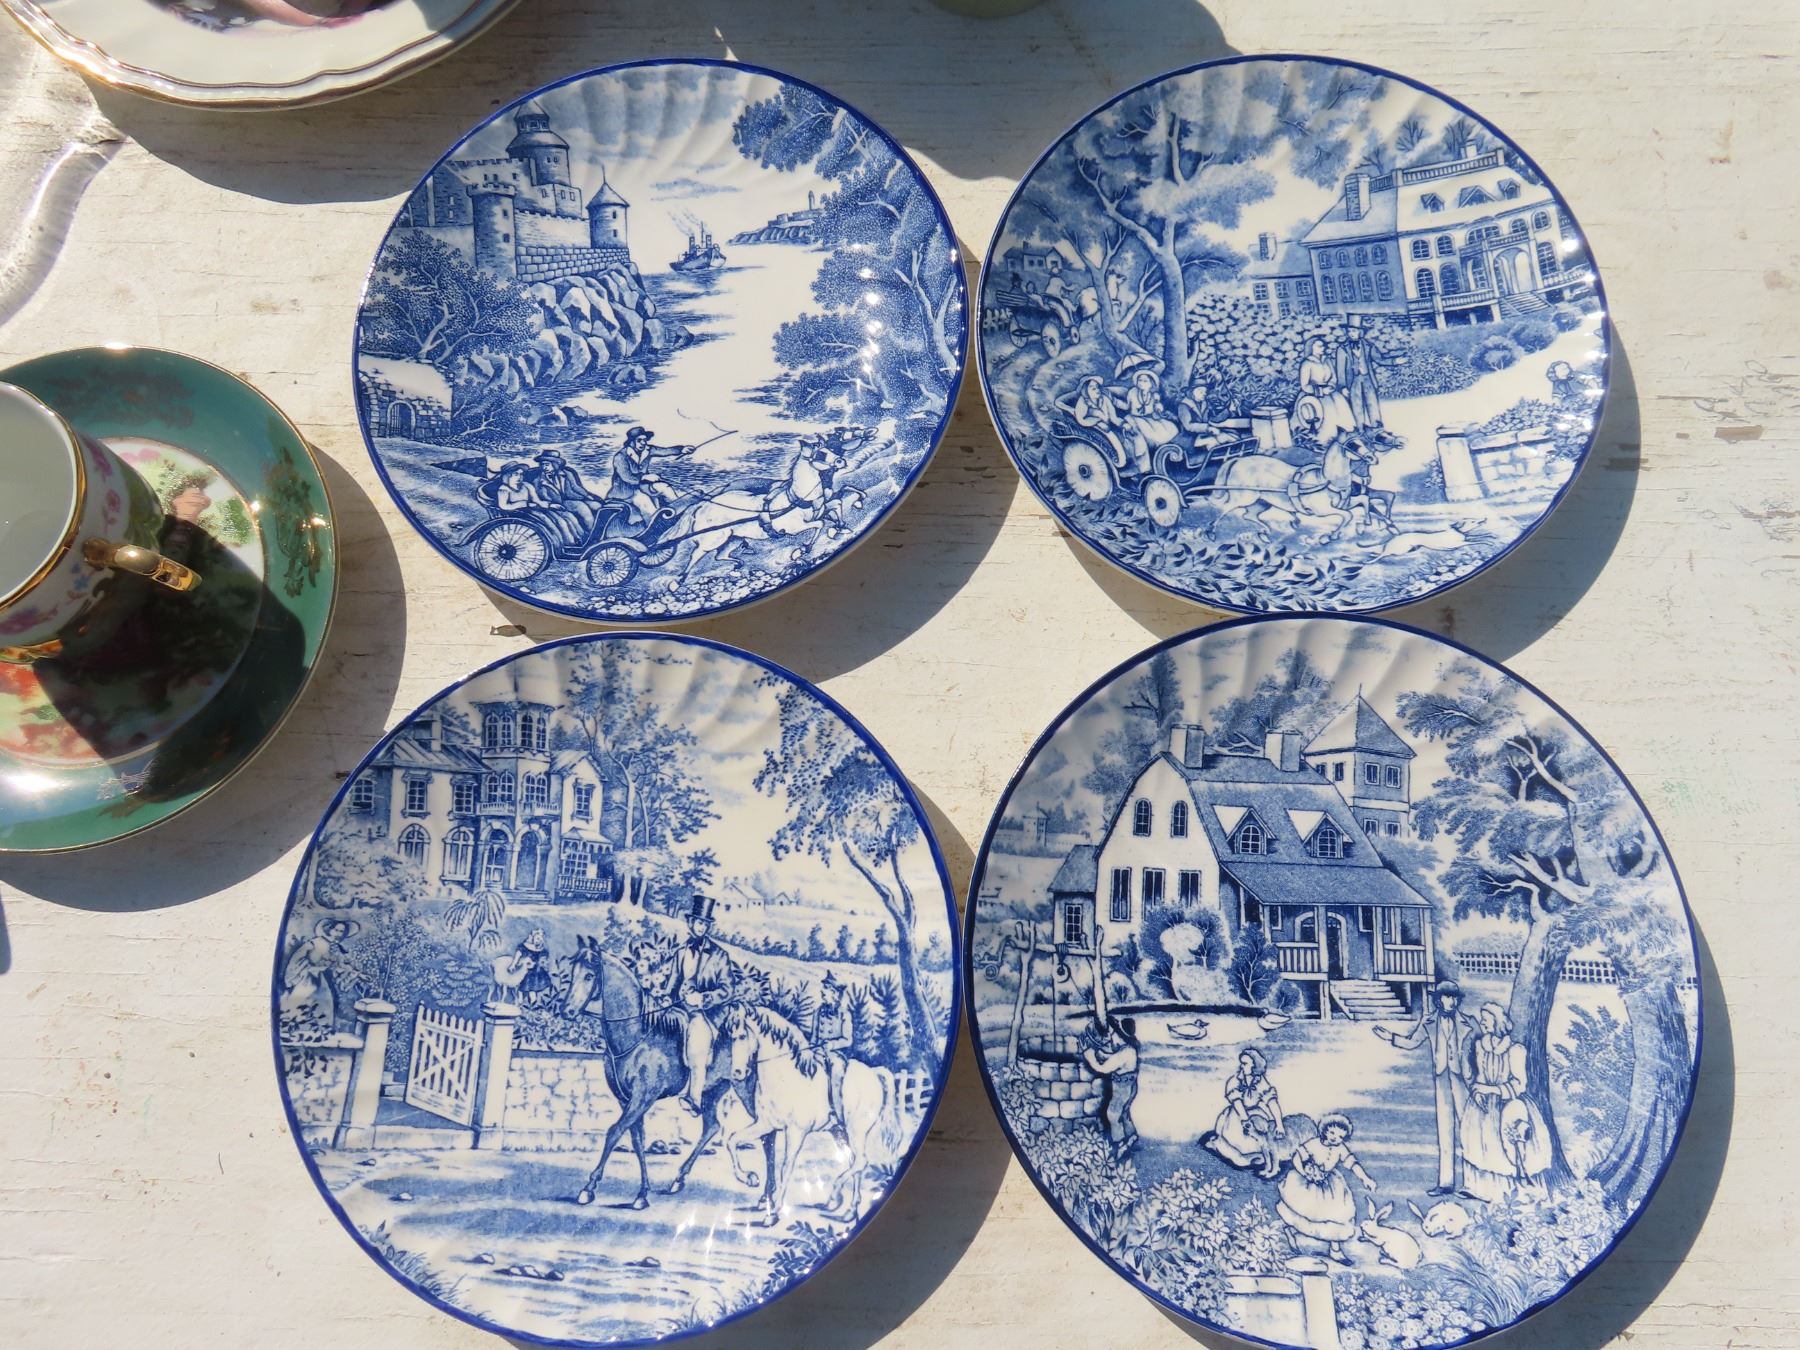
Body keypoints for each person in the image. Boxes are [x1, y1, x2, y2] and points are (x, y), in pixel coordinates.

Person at [1374, 978, 1476, 1195]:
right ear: (1438, 1000)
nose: (1451, 1002)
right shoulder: (1428, 1021)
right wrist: (1390, 1037)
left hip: (1463, 1080)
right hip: (1441, 1078)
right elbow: (1412, 1042)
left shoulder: (1469, 1022)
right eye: (1447, 997)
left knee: (1468, 1128)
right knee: (1445, 1129)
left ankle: (1472, 1183)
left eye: (1454, 998)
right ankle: (1445, 1183)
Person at [1459, 1003, 1553, 1203]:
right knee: (1479, 1145)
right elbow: (1480, 1076)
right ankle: (1481, 1189)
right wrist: (1477, 1092)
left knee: (1508, 1148)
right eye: (1482, 1019)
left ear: (1497, 1022)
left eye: (1486, 1019)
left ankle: (1512, 1193)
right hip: (1483, 1104)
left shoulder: (1515, 1050)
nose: (1483, 1023)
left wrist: (1491, 1090)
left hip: (1507, 1102)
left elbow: (1519, 1084)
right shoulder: (1480, 1045)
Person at [668, 895, 739, 1114]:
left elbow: (728, 990)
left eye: (705, 924)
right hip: (680, 1008)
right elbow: (673, 984)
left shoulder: (719, 955)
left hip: (707, 1013)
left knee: (698, 1037)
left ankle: (694, 1097)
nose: (701, 927)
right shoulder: (681, 952)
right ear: (690, 923)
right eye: (698, 922)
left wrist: (703, 998)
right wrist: (666, 999)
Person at [1277, 1113, 1377, 1264]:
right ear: (1324, 1130)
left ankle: (1335, 1251)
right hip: (1307, 1182)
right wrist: (1305, 1173)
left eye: (1340, 1136)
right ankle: (1290, 1230)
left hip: (1330, 1185)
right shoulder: (1314, 1144)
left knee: (1336, 1216)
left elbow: (1352, 1164)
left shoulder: (1341, 1148)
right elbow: (1297, 1157)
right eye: (1332, 1133)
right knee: (1307, 1212)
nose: (1335, 1138)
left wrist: (1365, 1178)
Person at [1203, 1048, 1285, 1178]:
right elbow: (1237, 1104)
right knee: (1237, 1144)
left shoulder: (1260, 1081)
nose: (1241, 1066)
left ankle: (1260, 1158)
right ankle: (1231, 1151)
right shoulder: (1235, 1080)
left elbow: (1272, 1103)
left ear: (1254, 1066)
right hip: (1238, 1114)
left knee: (1263, 1137)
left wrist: (1279, 1124)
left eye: (1245, 1063)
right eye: (1241, 1063)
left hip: (1256, 1113)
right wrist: (1245, 1120)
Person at [279, 918, 358, 1026]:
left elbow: (341, 966)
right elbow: (296, 959)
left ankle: (322, 1030)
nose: (338, 934)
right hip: (310, 979)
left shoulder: (338, 948)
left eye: (341, 931)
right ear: (329, 929)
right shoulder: (315, 943)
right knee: (301, 1002)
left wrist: (353, 972)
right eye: (336, 930)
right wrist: (307, 970)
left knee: (326, 1004)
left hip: (327, 982)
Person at [1081, 1015, 1140, 1158]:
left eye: (1113, 1033)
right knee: (1124, 1113)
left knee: (1113, 1115)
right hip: (1130, 1086)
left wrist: (1088, 1055)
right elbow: (1111, 1057)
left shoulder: (1124, 1053)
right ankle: (1132, 1136)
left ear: (1119, 1035)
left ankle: (1120, 1144)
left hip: (1122, 1089)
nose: (1111, 1036)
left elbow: (1103, 1068)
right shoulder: (1129, 1049)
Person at [606, 426, 688, 526]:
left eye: (645, 440)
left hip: (642, 486)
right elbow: (626, 477)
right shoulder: (620, 457)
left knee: (664, 487)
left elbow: (665, 451)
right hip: (625, 492)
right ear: (631, 442)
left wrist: (682, 450)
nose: (643, 443)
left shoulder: (648, 450)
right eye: (639, 440)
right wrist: (644, 477)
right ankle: (656, 526)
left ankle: (679, 511)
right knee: (644, 502)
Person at [1334, 316, 1399, 432]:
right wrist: (1342, 386)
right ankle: (1361, 431)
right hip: (1352, 382)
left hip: (1368, 379)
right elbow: (1340, 370)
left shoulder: (1368, 346)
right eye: (1349, 331)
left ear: (1360, 332)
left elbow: (1380, 359)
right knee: (1357, 407)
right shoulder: (1342, 349)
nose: (1351, 334)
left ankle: (1378, 431)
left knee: (1373, 405)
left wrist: (1395, 361)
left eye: (1354, 331)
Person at [810, 972, 855, 1138]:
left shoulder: (844, 1014)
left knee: (835, 1075)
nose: (822, 991)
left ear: (835, 993)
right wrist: (812, 1049)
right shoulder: (817, 1012)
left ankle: (839, 1119)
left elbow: (848, 1040)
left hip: (836, 1055)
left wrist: (832, 1045)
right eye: (823, 988)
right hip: (818, 1053)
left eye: (826, 988)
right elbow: (813, 1038)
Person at [1055, 377, 1129, 467]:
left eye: (1097, 387)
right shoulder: (1083, 403)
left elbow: (1113, 417)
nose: (1097, 390)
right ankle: (1119, 462)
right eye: (1093, 388)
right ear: (1086, 391)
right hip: (1093, 427)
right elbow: (1081, 420)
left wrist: (1122, 424)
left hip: (1107, 425)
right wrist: (1097, 422)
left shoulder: (1104, 399)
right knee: (1112, 438)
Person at [1295, 337, 1357, 446]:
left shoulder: (1327, 360)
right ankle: (1322, 443)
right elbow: (1304, 385)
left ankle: (1345, 439)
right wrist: (1321, 391)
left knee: (1342, 412)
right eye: (1319, 346)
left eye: (1323, 345)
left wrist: (1331, 386)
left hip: (1331, 393)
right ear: (1311, 348)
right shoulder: (1307, 363)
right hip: (1314, 396)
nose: (1323, 348)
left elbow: (1333, 377)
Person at [1122, 369, 1181, 473]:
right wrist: (1115, 402)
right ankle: (1145, 466)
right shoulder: (1133, 392)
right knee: (1147, 436)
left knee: (1170, 429)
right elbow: (1127, 407)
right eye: (1140, 380)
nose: (1141, 383)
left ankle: (1165, 459)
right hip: (1134, 419)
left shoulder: (1154, 396)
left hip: (1149, 419)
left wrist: (1158, 408)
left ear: (1151, 384)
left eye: (1145, 381)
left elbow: (1156, 412)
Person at [533, 452, 604, 535]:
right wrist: (551, 504)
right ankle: (593, 534)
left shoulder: (567, 473)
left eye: (547, 464)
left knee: (597, 506)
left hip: (572, 497)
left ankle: (603, 530)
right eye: (542, 465)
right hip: (559, 502)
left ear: (555, 464)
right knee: (582, 508)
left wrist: (587, 495)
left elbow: (576, 487)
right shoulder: (538, 480)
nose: (544, 467)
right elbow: (542, 496)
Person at [511, 929, 554, 1009]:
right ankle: (521, 1004)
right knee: (521, 989)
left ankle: (532, 1006)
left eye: (540, 939)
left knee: (532, 991)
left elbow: (544, 961)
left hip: (537, 973)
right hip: (526, 972)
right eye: (537, 938)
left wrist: (543, 965)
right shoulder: (524, 947)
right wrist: (513, 965)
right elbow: (517, 956)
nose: (538, 941)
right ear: (532, 938)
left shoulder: (542, 950)